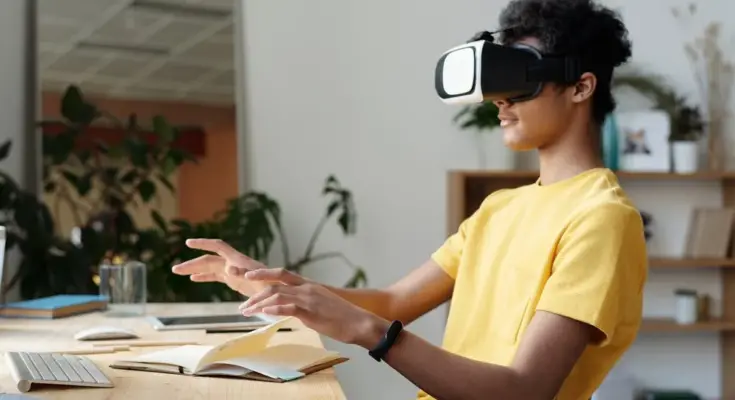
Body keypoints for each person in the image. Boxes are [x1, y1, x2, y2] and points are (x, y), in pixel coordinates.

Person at [171, 0, 648, 399]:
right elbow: (393, 301)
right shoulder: (501, 208)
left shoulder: (601, 218)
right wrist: (275, 286)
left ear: (582, 87)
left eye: (519, 79)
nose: (499, 100)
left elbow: (524, 390)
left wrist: (370, 332)